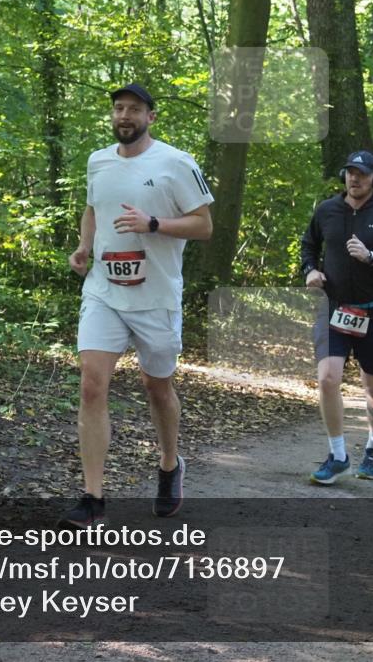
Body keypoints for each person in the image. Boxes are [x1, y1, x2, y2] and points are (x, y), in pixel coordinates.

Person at [64, 83, 214, 525]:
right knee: (92, 385)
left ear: (151, 116)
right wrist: (84, 246)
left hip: (156, 298)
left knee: (157, 387)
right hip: (104, 291)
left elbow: (204, 225)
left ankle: (169, 464)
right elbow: (93, 209)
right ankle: (93, 498)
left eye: (134, 109)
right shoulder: (98, 160)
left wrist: (153, 223)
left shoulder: (176, 162)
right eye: (118, 108)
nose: (124, 116)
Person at [300, 151, 373, 484]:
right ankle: (338, 456)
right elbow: (308, 245)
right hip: (333, 308)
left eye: (362, 174)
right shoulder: (327, 210)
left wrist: (372, 257)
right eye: (350, 172)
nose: (354, 178)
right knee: (327, 378)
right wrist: (310, 270)